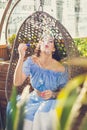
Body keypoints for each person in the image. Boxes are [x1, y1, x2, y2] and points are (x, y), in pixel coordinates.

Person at [10, 30, 69, 130]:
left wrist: (53, 94)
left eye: (50, 41)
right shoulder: (31, 62)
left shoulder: (61, 68)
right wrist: (21, 57)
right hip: (33, 99)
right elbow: (17, 82)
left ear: (53, 48)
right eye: (44, 40)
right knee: (23, 117)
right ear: (39, 44)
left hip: (52, 102)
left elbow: (66, 92)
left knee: (41, 117)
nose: (46, 42)